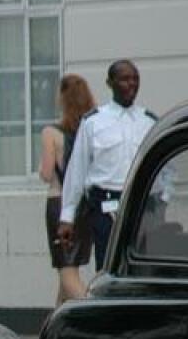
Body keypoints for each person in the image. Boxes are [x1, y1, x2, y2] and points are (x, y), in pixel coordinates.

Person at [58, 59, 156, 270]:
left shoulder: (148, 120)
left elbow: (165, 170)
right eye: (125, 79)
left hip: (140, 202)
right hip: (105, 204)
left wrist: (163, 198)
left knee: (139, 266)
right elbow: (77, 170)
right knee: (108, 265)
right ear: (110, 83)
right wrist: (67, 216)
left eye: (135, 79)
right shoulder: (94, 121)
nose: (131, 84)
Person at [38, 74, 96, 305]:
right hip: (84, 205)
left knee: (67, 271)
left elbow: (46, 173)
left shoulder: (51, 133)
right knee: (68, 271)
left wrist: (41, 166)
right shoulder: (91, 128)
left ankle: (94, 313)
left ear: (63, 98)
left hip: (59, 203)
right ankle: (56, 329)